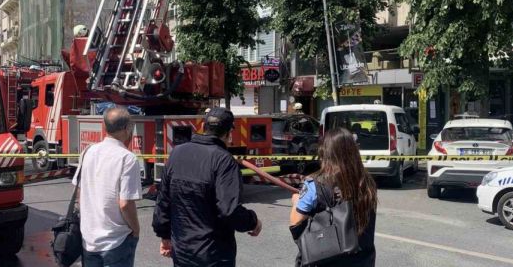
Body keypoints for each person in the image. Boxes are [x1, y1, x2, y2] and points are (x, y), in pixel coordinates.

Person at [152, 107, 262, 266]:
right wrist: (253, 221)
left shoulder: (177, 153)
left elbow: (163, 201)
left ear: (204, 127)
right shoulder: (224, 161)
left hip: (182, 251)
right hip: (214, 255)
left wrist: (164, 235)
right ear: (228, 133)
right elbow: (229, 210)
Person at [289, 127, 377, 267]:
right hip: (362, 260)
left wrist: (296, 202)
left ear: (325, 152)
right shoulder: (366, 182)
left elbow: (295, 224)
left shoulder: (314, 184)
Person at [74, 107, 142, 267]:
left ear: (104, 127)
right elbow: (125, 203)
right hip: (116, 240)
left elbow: (79, 191)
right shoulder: (128, 158)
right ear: (127, 128)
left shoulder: (87, 152)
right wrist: (136, 229)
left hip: (89, 238)